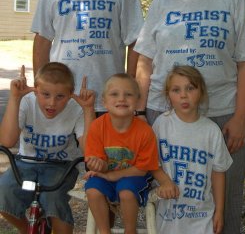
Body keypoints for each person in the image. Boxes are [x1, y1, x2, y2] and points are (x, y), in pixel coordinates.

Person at [134, 0, 245, 233]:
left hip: (222, 114)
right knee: (169, 198)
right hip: (163, 113)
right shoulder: (163, 1)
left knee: (225, 200)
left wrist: (240, 115)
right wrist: (141, 112)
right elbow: (145, 60)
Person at [0, 62, 95, 234]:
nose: (52, 103)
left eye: (60, 97)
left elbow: (90, 151)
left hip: (61, 165)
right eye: (45, 94)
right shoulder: (26, 102)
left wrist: (88, 110)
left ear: (70, 94)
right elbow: (7, 141)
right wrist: (15, 98)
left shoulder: (77, 109)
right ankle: (28, 229)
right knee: (3, 193)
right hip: (25, 162)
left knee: (53, 199)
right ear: (35, 90)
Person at [84, 73, 179, 234]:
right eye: (114, 94)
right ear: (104, 102)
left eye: (128, 94)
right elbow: (96, 160)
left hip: (133, 176)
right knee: (92, 190)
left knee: (126, 191)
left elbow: (143, 168)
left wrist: (112, 176)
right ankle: (104, 231)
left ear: (137, 101)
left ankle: (130, 230)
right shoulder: (97, 127)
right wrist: (99, 164)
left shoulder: (145, 132)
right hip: (105, 175)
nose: (121, 99)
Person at [153, 65, 232, 234]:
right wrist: (164, 182)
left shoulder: (211, 130)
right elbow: (151, 162)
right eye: (176, 90)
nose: (183, 95)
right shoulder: (161, 124)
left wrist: (219, 210)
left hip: (202, 214)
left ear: (201, 92)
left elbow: (219, 172)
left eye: (190, 88)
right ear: (168, 95)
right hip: (168, 214)